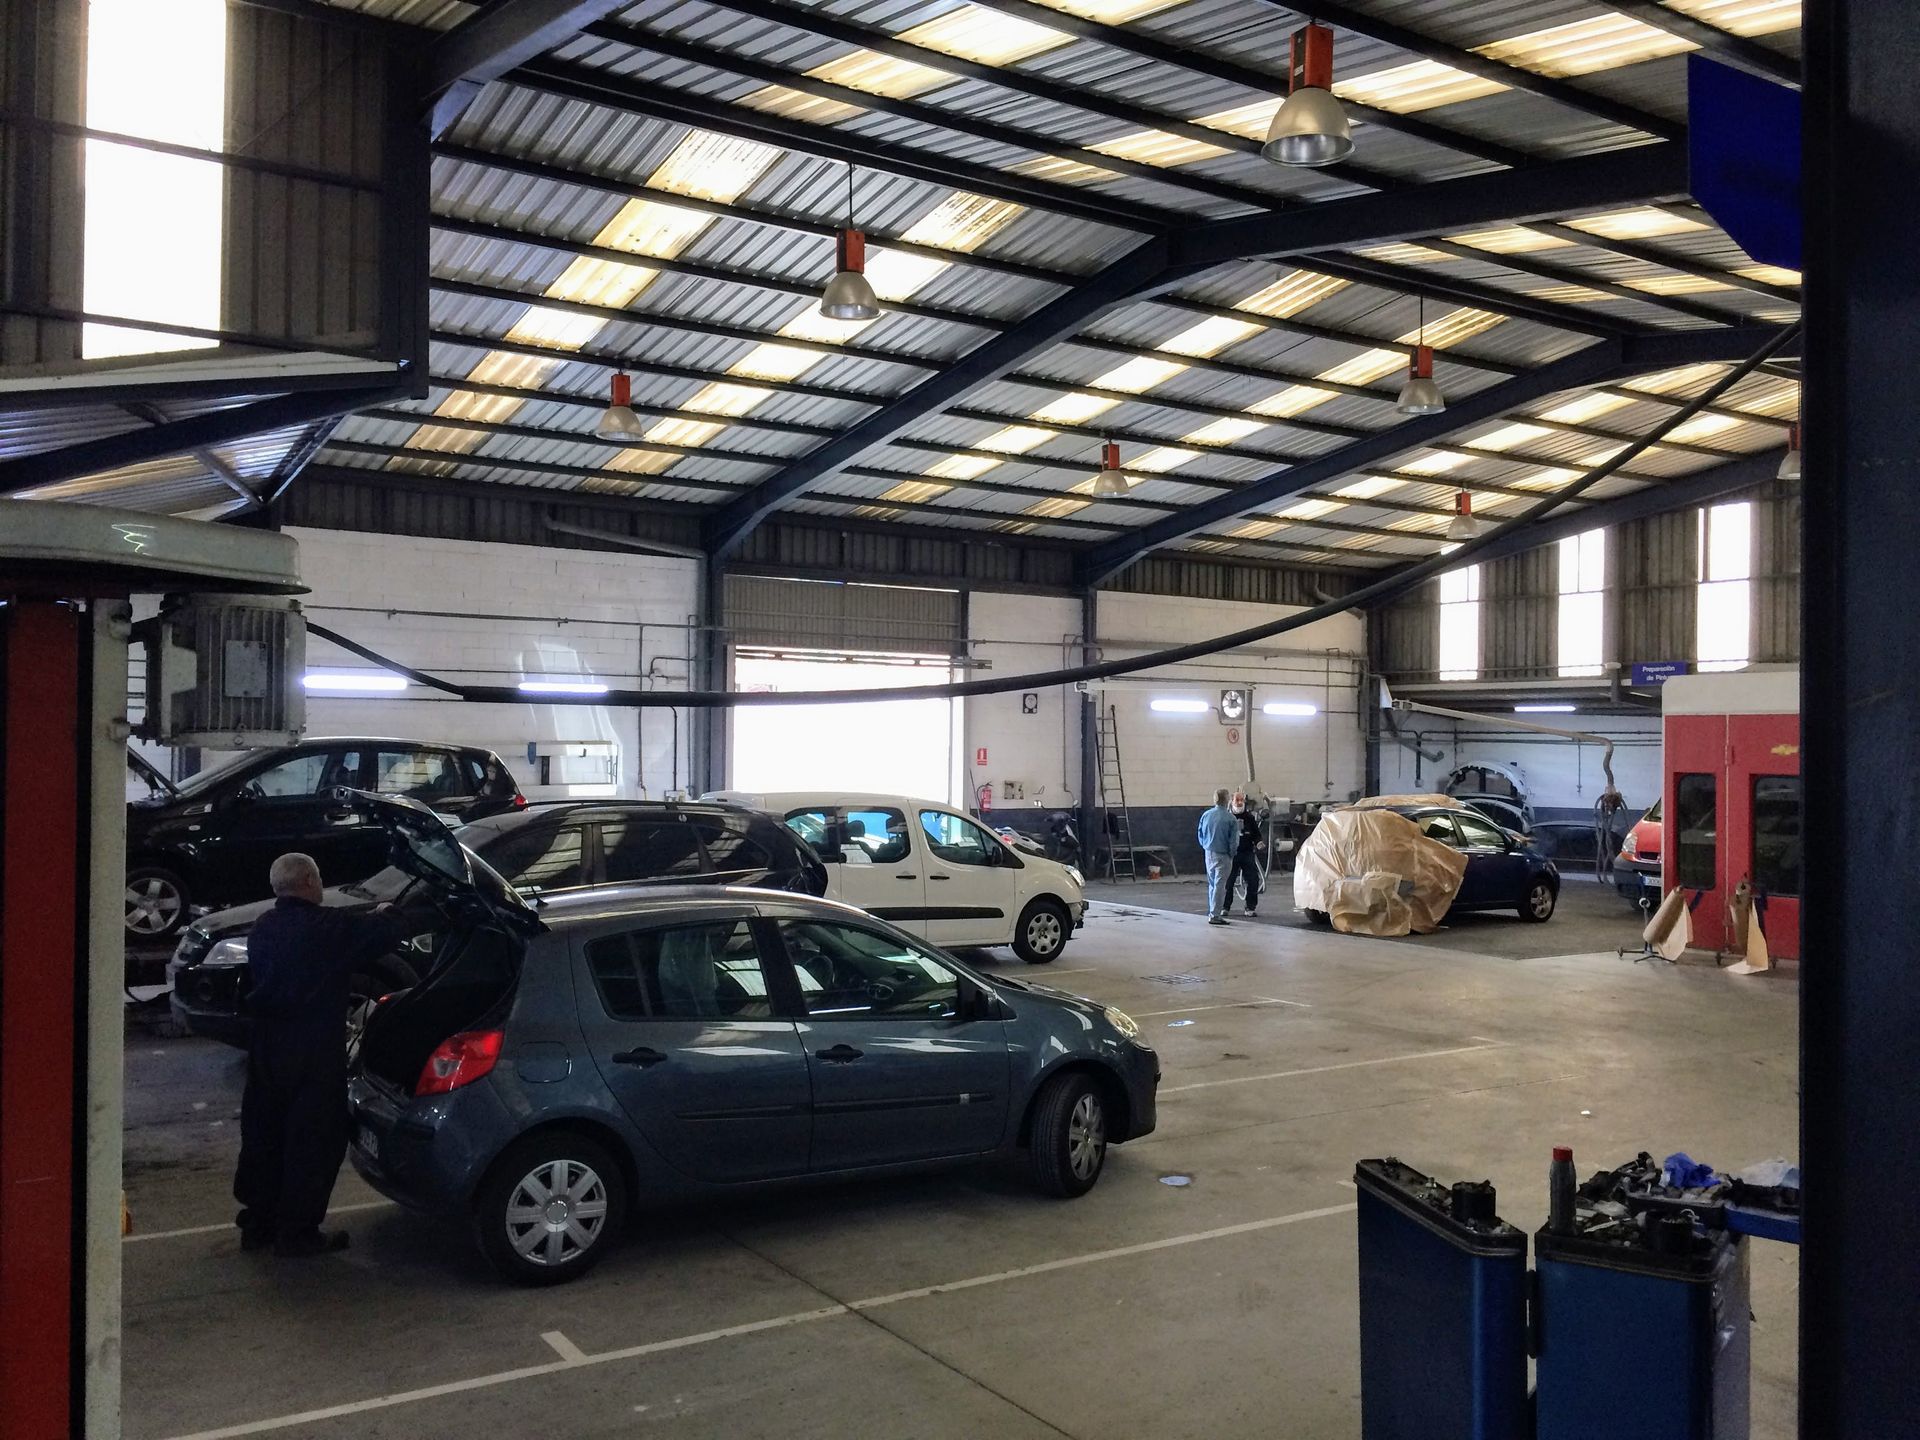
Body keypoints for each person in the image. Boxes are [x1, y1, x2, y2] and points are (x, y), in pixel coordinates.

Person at [233, 852, 404, 1257]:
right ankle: (297, 1233)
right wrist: (388, 911)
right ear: (310, 882)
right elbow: (386, 931)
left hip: (267, 1048)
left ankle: (258, 1224)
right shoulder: (327, 928)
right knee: (312, 1140)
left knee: (264, 1134)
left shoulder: (263, 928)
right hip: (312, 1050)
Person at [1197, 787, 1238, 926]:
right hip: (1223, 855)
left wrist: (1206, 846)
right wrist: (1232, 854)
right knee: (1220, 886)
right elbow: (1233, 841)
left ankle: (1212, 911)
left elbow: (1200, 834)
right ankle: (1215, 915)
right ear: (1227, 800)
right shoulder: (1231, 819)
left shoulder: (1206, 815)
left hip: (1209, 853)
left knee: (1212, 884)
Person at [1230, 792, 1266, 917]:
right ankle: (1224, 907)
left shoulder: (1249, 818)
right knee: (1228, 881)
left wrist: (1259, 842)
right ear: (1232, 801)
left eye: (1241, 800)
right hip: (1231, 854)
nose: (1239, 802)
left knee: (1253, 879)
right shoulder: (1227, 817)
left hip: (1247, 853)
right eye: (1237, 800)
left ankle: (1250, 907)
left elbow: (1256, 834)